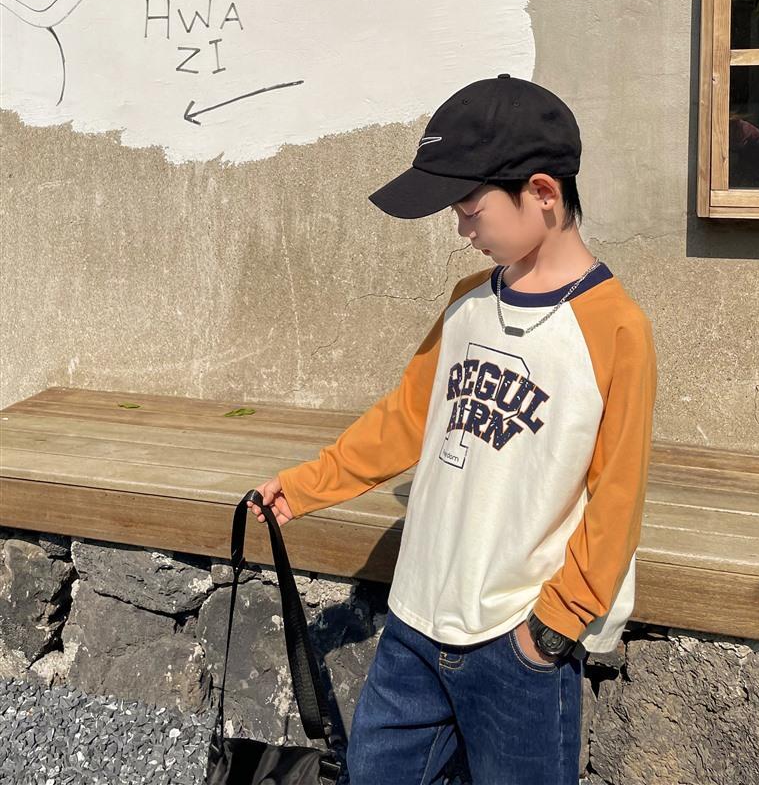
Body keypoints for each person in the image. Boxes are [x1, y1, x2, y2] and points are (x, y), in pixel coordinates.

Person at [247, 74, 658, 785]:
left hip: (517, 644)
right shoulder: (467, 304)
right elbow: (406, 419)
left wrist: (552, 629)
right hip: (413, 627)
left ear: (542, 192)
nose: (462, 229)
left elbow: (617, 496)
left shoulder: (616, 330)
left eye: (470, 209)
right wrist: (305, 486)